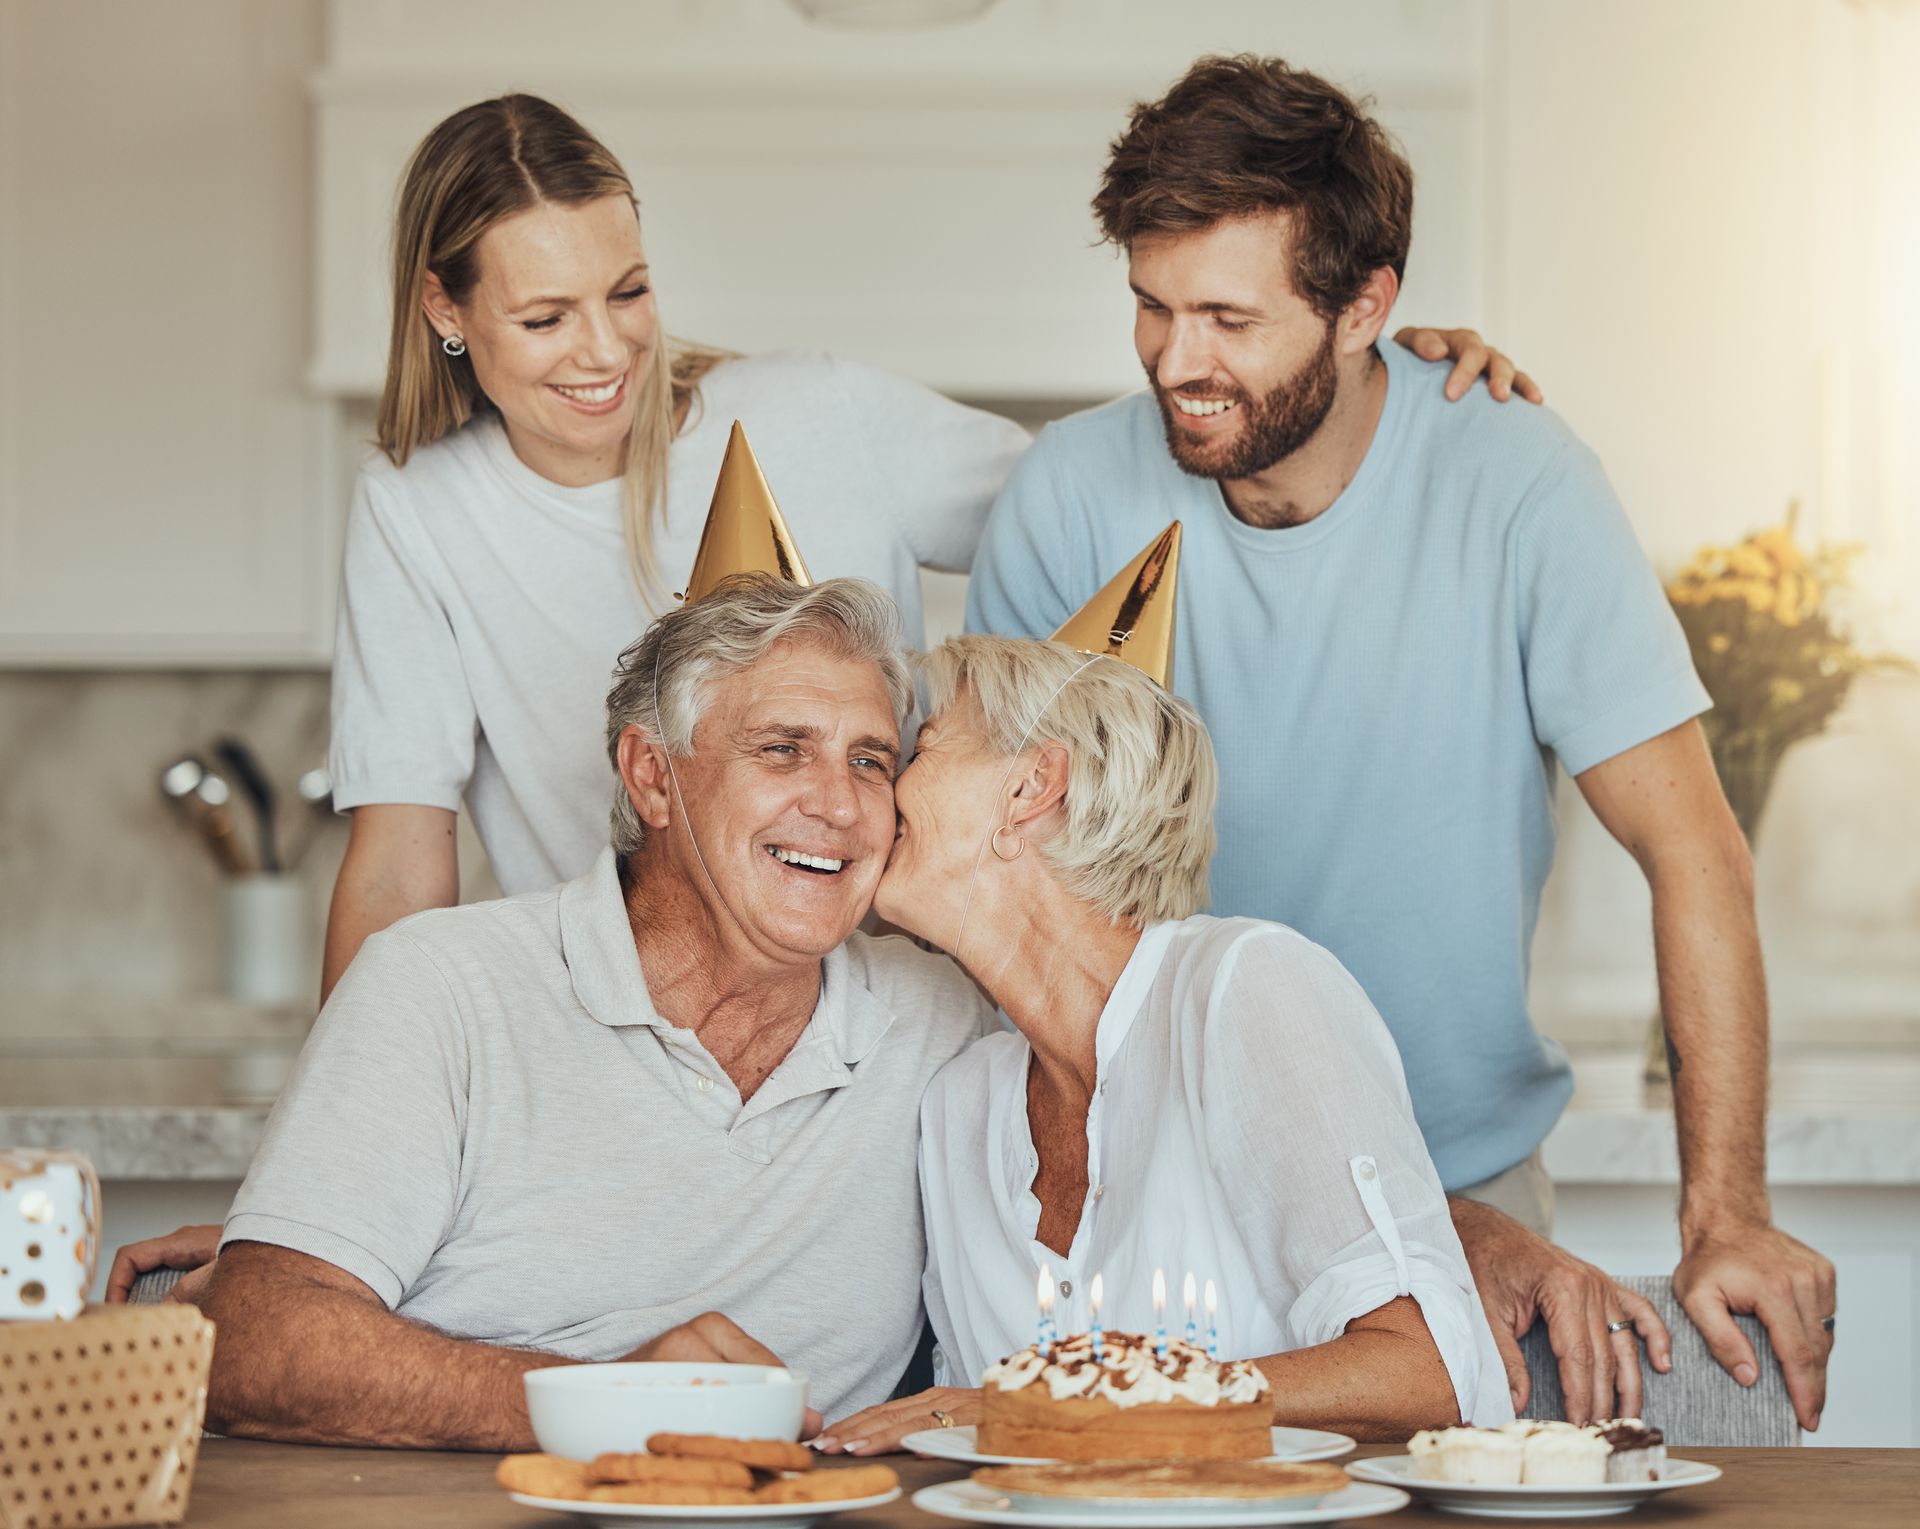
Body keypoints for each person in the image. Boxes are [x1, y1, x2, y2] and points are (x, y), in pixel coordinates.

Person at [963, 54, 1836, 1429]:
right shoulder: (1067, 497)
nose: (1176, 362)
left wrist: (1727, 1214)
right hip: (1154, 1179)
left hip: (1470, 1180)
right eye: (1151, 306)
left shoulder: (1518, 481)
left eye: (1231, 320)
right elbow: (999, 892)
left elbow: (1694, 850)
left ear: (1366, 307)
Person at [319, 91, 1517, 997]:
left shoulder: (820, 414)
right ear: (445, 310)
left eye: (628, 293)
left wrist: (1356, 373)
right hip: (624, 1040)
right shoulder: (416, 513)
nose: (604, 350)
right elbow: (394, 867)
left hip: (901, 1030)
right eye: (543, 316)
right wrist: (331, 1154)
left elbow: (1116, 483)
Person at [195, 574, 995, 1447]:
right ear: (653, 777)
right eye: (782, 749)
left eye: (870, 761)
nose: (839, 805)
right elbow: (247, 1341)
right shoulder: (441, 986)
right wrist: (604, 1400)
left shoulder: (945, 1027)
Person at [817, 634, 1509, 1453]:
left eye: (922, 747)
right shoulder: (959, 1103)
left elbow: (1427, 1374)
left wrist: (1083, 1401)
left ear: (1030, 788)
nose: (884, 791)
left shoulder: (1244, 986)